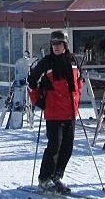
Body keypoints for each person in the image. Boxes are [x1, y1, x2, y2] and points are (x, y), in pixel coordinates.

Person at [28, 30, 83, 195]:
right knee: (54, 147)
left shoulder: (73, 61)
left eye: (59, 43)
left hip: (70, 112)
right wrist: (38, 101)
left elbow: (78, 82)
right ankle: (44, 179)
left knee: (67, 147)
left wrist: (77, 100)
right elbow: (31, 83)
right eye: (53, 44)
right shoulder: (46, 63)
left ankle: (57, 176)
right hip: (54, 112)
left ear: (65, 45)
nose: (56, 47)